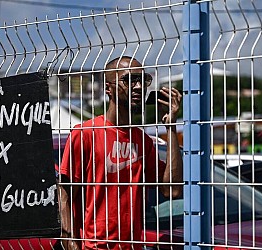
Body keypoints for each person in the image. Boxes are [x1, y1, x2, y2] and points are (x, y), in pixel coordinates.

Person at [58, 56, 183, 250]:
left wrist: (171, 127)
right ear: (108, 88)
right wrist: (70, 240)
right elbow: (65, 193)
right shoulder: (85, 134)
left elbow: (172, 190)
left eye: (142, 80)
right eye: (129, 80)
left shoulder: (142, 141)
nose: (138, 86)